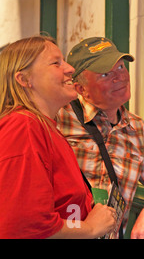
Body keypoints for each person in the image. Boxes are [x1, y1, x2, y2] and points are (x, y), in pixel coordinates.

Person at [57, 37, 144, 239]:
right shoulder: (59, 120)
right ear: (81, 89)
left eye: (121, 68)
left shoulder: (138, 130)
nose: (119, 78)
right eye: (105, 74)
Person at [0, 36, 116, 239]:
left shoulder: (45, 126)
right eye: (56, 63)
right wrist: (90, 228)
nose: (71, 68)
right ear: (25, 79)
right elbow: (23, 224)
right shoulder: (23, 125)